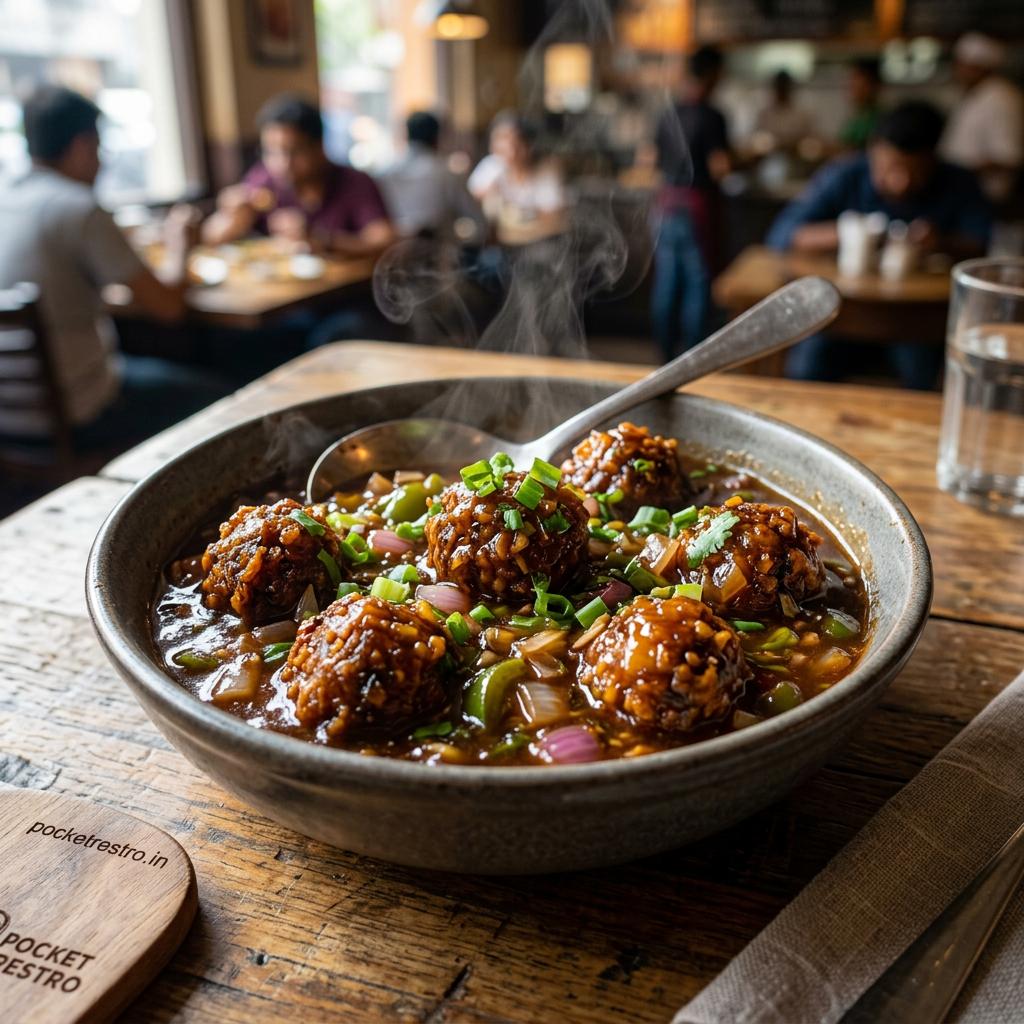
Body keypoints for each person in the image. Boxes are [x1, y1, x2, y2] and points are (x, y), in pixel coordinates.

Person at [0, 85, 224, 447]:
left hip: (8, 420)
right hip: (79, 413)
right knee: (221, 398)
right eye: (99, 147)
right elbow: (168, 307)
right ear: (82, 145)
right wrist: (180, 244)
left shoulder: (6, 196)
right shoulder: (79, 207)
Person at [768, 100, 992, 389]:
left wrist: (941, 243)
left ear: (933, 159)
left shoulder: (958, 183)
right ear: (873, 151)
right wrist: (846, 231)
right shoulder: (845, 175)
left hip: (915, 319)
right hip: (842, 310)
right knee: (806, 370)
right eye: (890, 169)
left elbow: (981, 249)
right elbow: (782, 234)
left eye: (914, 172)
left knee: (922, 379)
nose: (900, 183)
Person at [203, 94, 396, 257]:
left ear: (319, 147)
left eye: (294, 152)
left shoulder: (354, 182)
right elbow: (211, 237)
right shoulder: (264, 179)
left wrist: (320, 239)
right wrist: (231, 216)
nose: (282, 163)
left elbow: (384, 242)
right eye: (271, 152)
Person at [650, 45, 731, 361]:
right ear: (712, 74)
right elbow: (718, 167)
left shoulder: (668, 113)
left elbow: (651, 160)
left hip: (666, 204)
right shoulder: (712, 116)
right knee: (698, 282)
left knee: (667, 281)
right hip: (696, 206)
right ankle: (693, 358)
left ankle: (664, 356)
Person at [940, 33, 1024, 204]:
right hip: (961, 192)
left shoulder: (1002, 98)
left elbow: (1009, 158)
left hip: (985, 198)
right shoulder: (975, 94)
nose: (957, 70)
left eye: (963, 64)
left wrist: (958, 172)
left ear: (980, 67)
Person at [467, 112, 568, 247]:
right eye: (500, 141)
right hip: (500, 245)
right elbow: (468, 201)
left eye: (515, 143)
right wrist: (487, 192)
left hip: (542, 244)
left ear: (529, 146)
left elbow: (552, 216)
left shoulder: (546, 169)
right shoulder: (492, 166)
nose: (509, 151)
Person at [379, 111, 482, 241]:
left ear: (406, 135)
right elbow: (476, 219)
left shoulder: (384, 173)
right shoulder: (447, 174)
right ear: (437, 137)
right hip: (439, 254)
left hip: (391, 254)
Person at [753, 70, 816, 152]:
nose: (782, 92)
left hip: (797, 157)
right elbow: (757, 140)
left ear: (790, 89)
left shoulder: (802, 115)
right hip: (769, 156)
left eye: (784, 88)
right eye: (779, 88)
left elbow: (811, 140)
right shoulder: (764, 114)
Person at [838, 58, 883, 151]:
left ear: (874, 87)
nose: (852, 91)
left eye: (859, 87)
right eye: (851, 86)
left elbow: (857, 150)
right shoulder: (857, 116)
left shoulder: (877, 118)